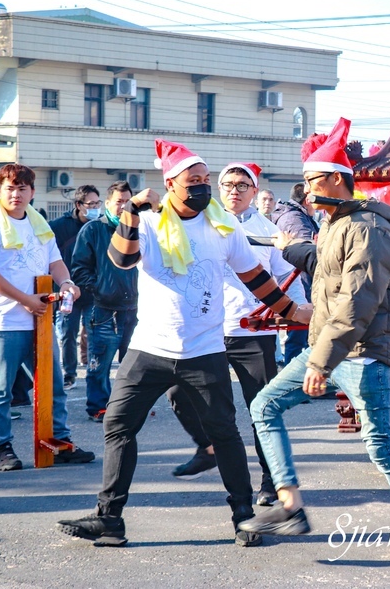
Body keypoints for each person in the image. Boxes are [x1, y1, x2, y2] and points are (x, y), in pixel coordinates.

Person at [56, 139, 306, 548]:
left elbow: (256, 278)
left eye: (206, 180)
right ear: (170, 184)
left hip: (203, 350)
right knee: (118, 425)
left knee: (224, 432)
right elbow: (120, 259)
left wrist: (292, 311)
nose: (203, 187)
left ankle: (244, 515)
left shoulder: (223, 225)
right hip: (149, 349)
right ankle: (110, 519)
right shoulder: (150, 223)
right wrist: (132, 213)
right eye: (194, 181)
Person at [239, 119, 390, 570]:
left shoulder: (369, 227)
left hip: (364, 354)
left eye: (312, 180)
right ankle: (289, 506)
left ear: (335, 179)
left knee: (379, 446)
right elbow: (324, 265)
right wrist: (293, 249)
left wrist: (320, 363)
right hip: (328, 346)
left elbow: (356, 301)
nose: (307, 190)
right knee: (263, 407)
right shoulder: (335, 223)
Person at [167, 162, 304, 507]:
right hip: (206, 328)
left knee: (261, 407)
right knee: (179, 393)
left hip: (252, 329)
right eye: (228, 184)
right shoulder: (199, 222)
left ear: (255, 192)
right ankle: (207, 446)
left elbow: (287, 275)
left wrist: (298, 313)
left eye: (243, 185)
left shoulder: (269, 231)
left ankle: (270, 481)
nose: (234, 190)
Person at [0, 163, 94, 471]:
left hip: (40, 320)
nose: (16, 194)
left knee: (52, 386)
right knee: (1, 389)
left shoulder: (39, 223)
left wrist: (66, 282)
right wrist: (25, 299)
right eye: (9, 188)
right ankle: (1, 447)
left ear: (32, 192)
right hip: (4, 322)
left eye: (22, 188)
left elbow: (55, 262)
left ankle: (59, 443)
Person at [70, 180, 138, 422]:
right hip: (103, 309)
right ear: (108, 203)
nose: (123, 206)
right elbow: (79, 269)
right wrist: (101, 288)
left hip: (135, 309)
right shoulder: (93, 230)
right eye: (118, 202)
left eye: (128, 202)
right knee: (99, 364)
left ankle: (127, 406)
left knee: (134, 366)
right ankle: (98, 406)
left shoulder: (140, 228)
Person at [50, 185, 100, 389]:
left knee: (94, 334)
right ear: (79, 205)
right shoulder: (59, 226)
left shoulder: (101, 225)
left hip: (93, 291)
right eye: (91, 204)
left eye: (98, 203)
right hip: (68, 292)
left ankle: (93, 373)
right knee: (67, 334)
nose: (96, 208)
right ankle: (69, 374)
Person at [271, 182, 320, 364]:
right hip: (299, 281)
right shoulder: (293, 218)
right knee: (299, 333)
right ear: (307, 199)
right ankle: (296, 380)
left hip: (302, 281)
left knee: (302, 333)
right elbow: (305, 250)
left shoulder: (296, 215)